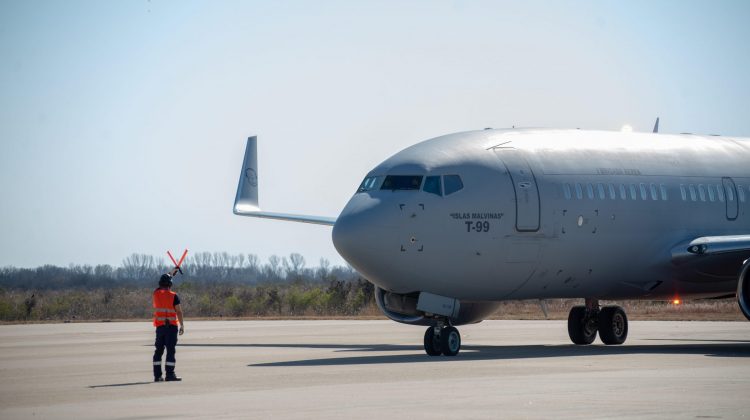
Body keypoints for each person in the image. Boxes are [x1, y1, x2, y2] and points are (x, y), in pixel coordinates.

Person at [152, 268, 184, 382]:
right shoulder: (174, 296)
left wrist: (171, 273)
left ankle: (157, 376)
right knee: (170, 351)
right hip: (171, 328)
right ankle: (170, 375)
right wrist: (182, 325)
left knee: (158, 351)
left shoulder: (155, 294)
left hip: (160, 327)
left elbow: (162, 286)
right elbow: (179, 312)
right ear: (170, 284)